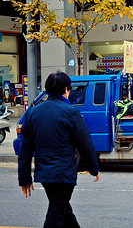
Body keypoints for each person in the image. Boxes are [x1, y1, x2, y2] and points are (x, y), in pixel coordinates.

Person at [18, 71, 100, 228]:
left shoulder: (32, 113)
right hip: (64, 174)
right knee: (56, 213)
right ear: (66, 89)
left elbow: (25, 149)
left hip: (45, 174)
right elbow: (85, 143)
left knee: (63, 210)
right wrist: (94, 168)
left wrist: (24, 178)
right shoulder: (70, 112)